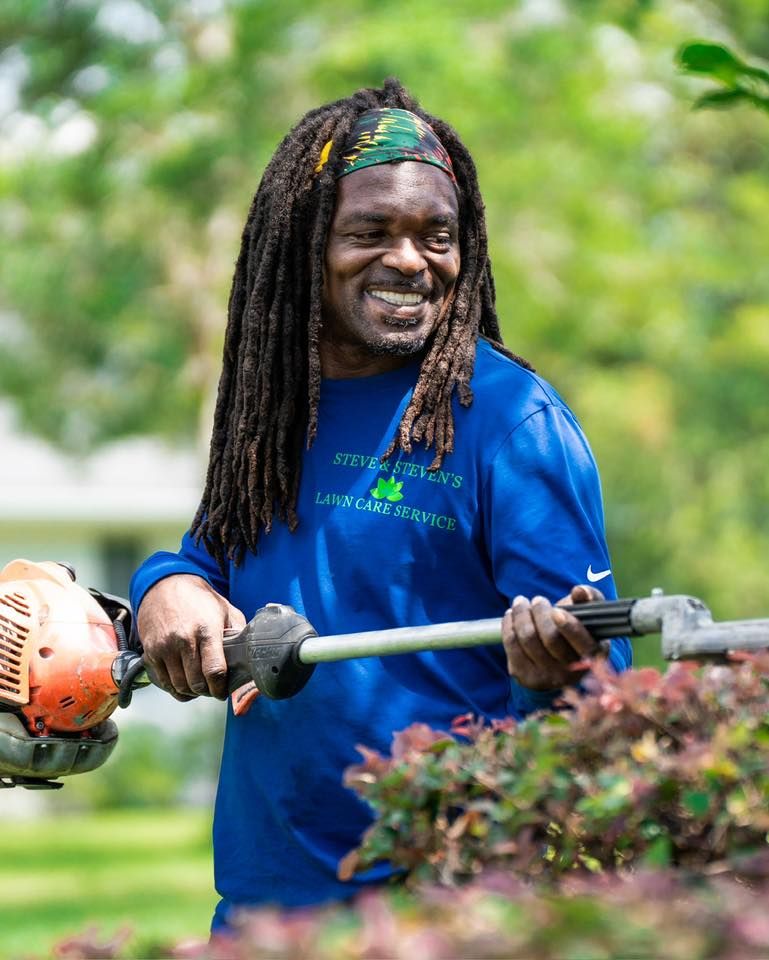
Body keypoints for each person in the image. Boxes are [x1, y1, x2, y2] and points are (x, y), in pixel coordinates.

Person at [130, 79, 631, 926]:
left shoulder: (509, 422)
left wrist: (553, 678)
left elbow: (601, 695)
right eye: (370, 231)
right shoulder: (273, 408)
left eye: (435, 235)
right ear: (304, 248)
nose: (409, 260)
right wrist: (162, 584)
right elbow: (211, 559)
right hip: (263, 911)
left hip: (448, 909)